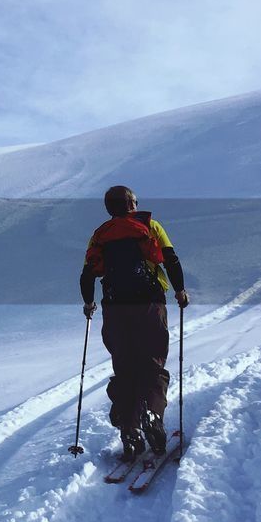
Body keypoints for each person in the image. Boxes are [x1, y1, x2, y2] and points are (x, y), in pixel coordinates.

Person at [80, 186, 189, 461]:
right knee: (152, 365)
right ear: (131, 204)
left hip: (115, 309)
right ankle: (152, 413)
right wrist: (180, 290)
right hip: (150, 305)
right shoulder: (150, 226)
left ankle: (130, 429)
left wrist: (88, 303)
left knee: (125, 368)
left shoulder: (100, 234)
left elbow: (87, 273)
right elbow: (171, 259)